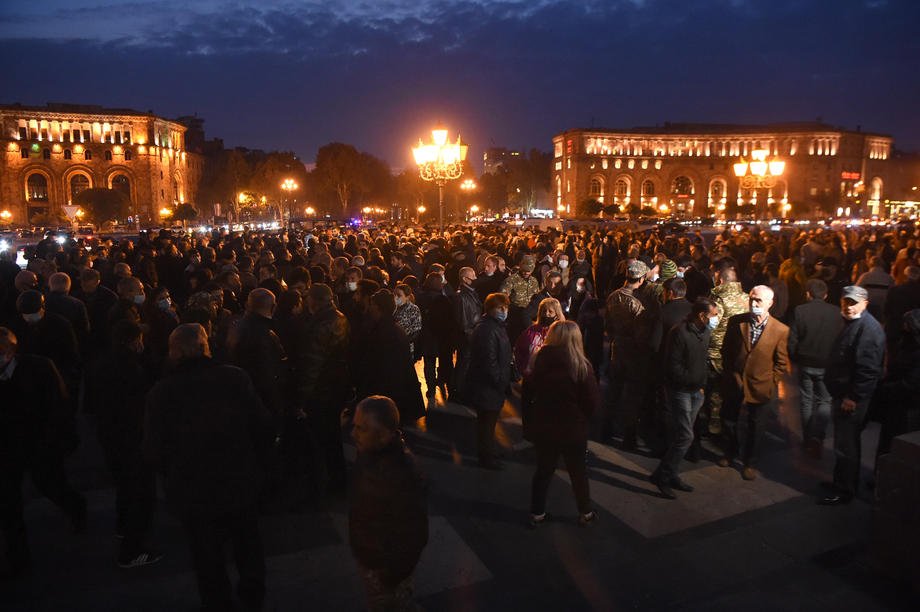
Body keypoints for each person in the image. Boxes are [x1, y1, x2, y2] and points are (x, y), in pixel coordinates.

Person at [144, 324, 275, 611]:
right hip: (238, 478)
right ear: (205, 347)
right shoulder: (234, 378)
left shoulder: (161, 393)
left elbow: (155, 448)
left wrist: (171, 476)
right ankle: (253, 593)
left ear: (174, 353)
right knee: (247, 542)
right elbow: (261, 424)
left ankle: (218, 601)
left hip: (193, 489)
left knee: (206, 554)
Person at [0, 326, 86, 578]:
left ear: (12, 350)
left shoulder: (39, 367)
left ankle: (76, 508)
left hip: (40, 444)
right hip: (6, 450)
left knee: (51, 485)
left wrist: (60, 440)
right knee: (9, 505)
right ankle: (18, 557)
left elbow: (59, 405)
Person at [84, 319, 160, 567]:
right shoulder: (131, 368)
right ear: (133, 341)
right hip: (132, 438)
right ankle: (132, 550)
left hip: (110, 436)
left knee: (124, 487)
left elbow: (90, 405)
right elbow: (140, 405)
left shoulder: (100, 364)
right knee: (140, 492)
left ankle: (122, 525)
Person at [348, 396, 428, 611]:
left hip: (386, 570)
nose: (353, 434)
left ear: (383, 434)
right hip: (372, 560)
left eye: (361, 428)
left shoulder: (402, 475)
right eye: (354, 426)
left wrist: (391, 576)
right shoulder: (368, 455)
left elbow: (414, 534)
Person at [522, 321, 599, 527]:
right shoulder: (581, 366)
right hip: (573, 428)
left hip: (545, 426)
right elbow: (592, 402)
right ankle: (585, 512)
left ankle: (537, 512)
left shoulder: (538, 361)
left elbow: (529, 391)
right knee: (578, 472)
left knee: (543, 471)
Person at [819, 286, 886, 505]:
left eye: (854, 302)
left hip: (851, 399)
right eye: (846, 301)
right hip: (844, 394)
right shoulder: (853, 322)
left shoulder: (868, 329)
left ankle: (844, 490)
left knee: (846, 445)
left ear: (865, 304)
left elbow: (868, 370)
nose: (849, 306)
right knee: (844, 443)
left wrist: (853, 397)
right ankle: (841, 482)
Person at [719, 285, 790, 480]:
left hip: (761, 384)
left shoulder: (780, 330)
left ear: (770, 303)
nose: (754, 303)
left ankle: (750, 462)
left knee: (756, 426)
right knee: (729, 419)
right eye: (751, 299)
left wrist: (771, 381)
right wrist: (730, 372)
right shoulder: (737, 321)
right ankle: (730, 452)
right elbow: (727, 349)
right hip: (735, 380)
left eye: (758, 300)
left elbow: (781, 362)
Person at [650, 298, 719, 498]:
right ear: (702, 315)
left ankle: (669, 473)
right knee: (686, 436)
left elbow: (702, 360)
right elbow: (673, 365)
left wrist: (701, 384)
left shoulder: (705, 332)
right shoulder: (679, 332)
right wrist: (689, 381)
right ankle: (663, 477)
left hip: (696, 391)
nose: (716, 319)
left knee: (681, 435)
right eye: (714, 315)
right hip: (680, 391)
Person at [301, 284, 351, 495]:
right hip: (336, 385)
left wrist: (303, 396)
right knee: (332, 436)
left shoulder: (321, 324)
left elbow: (313, 363)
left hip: (323, 388)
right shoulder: (339, 317)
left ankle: (330, 482)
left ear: (315, 300)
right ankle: (337, 478)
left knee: (324, 437)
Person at [787, 279, 843, 458]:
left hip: (806, 361)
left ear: (808, 294)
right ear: (825, 295)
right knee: (824, 401)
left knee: (806, 400)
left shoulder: (800, 310)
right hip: (827, 363)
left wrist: (793, 358)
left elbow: (792, 338)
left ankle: (807, 437)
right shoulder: (836, 312)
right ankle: (818, 436)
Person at [353, 290, 425, 426]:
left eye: (372, 304)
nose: (370, 307)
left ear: (378, 307)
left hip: (387, 392)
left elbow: (379, 365)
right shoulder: (391, 328)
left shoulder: (384, 332)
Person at [604, 260, 654, 450]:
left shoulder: (613, 296)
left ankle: (606, 428)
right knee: (632, 395)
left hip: (617, 347)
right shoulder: (638, 302)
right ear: (640, 279)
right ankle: (629, 437)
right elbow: (642, 333)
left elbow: (607, 325)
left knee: (614, 390)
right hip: (634, 352)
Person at [467, 293, 513, 469]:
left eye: (506, 307)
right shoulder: (488, 329)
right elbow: (489, 360)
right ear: (490, 309)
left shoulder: (495, 326)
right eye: (500, 308)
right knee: (486, 423)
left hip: (491, 385)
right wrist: (500, 381)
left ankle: (489, 451)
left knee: (489, 422)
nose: (504, 311)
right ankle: (486, 457)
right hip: (488, 386)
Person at [514, 297, 563, 377]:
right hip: (530, 376)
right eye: (544, 311)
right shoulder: (531, 331)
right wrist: (523, 368)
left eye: (550, 311)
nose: (546, 314)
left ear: (557, 315)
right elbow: (518, 350)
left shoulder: (561, 333)